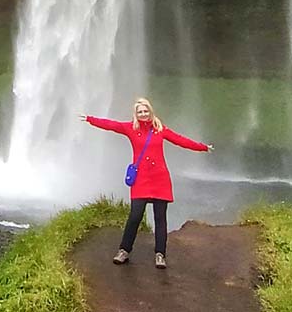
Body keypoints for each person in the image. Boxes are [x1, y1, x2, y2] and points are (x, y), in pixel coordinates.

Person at [82, 97, 212, 269]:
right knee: (135, 216)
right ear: (136, 114)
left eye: (145, 111)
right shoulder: (130, 128)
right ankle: (124, 250)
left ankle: (160, 254)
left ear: (150, 112)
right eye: (140, 112)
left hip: (160, 179)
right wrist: (90, 119)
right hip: (141, 180)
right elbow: (111, 125)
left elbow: (181, 140)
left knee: (160, 218)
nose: (143, 114)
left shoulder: (160, 129)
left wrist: (202, 147)